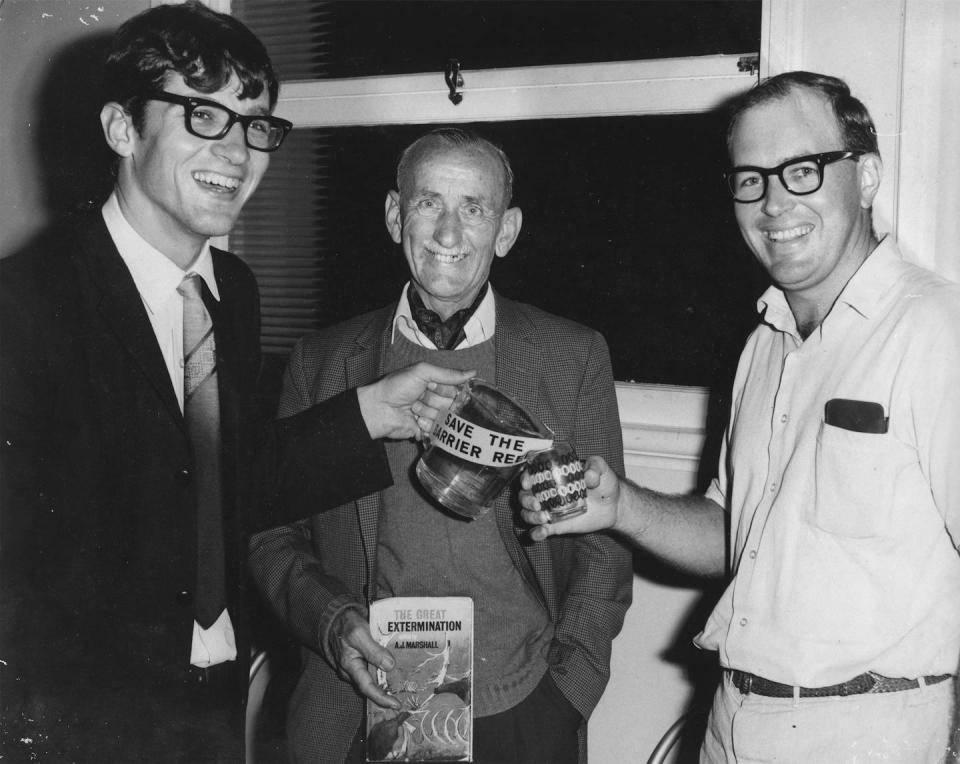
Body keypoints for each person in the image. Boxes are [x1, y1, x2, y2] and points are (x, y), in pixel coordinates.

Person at [0, 4, 469, 761]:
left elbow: (224, 480)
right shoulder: (25, 306)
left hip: (211, 703)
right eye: (202, 116)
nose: (240, 150)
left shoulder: (233, 291)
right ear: (123, 130)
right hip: (81, 719)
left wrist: (372, 413)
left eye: (256, 124)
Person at [521, 70, 960, 762]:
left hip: (869, 732)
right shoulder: (765, 343)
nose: (774, 202)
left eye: (803, 171)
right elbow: (736, 532)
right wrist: (620, 506)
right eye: (751, 178)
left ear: (867, 176)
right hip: (734, 721)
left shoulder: (935, 330)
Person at [248, 127, 633, 764]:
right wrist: (330, 620)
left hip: (522, 713)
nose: (448, 234)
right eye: (429, 203)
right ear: (396, 215)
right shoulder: (321, 363)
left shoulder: (572, 355)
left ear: (506, 231)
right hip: (356, 710)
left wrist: (566, 697)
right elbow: (269, 536)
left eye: (474, 209)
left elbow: (604, 552)